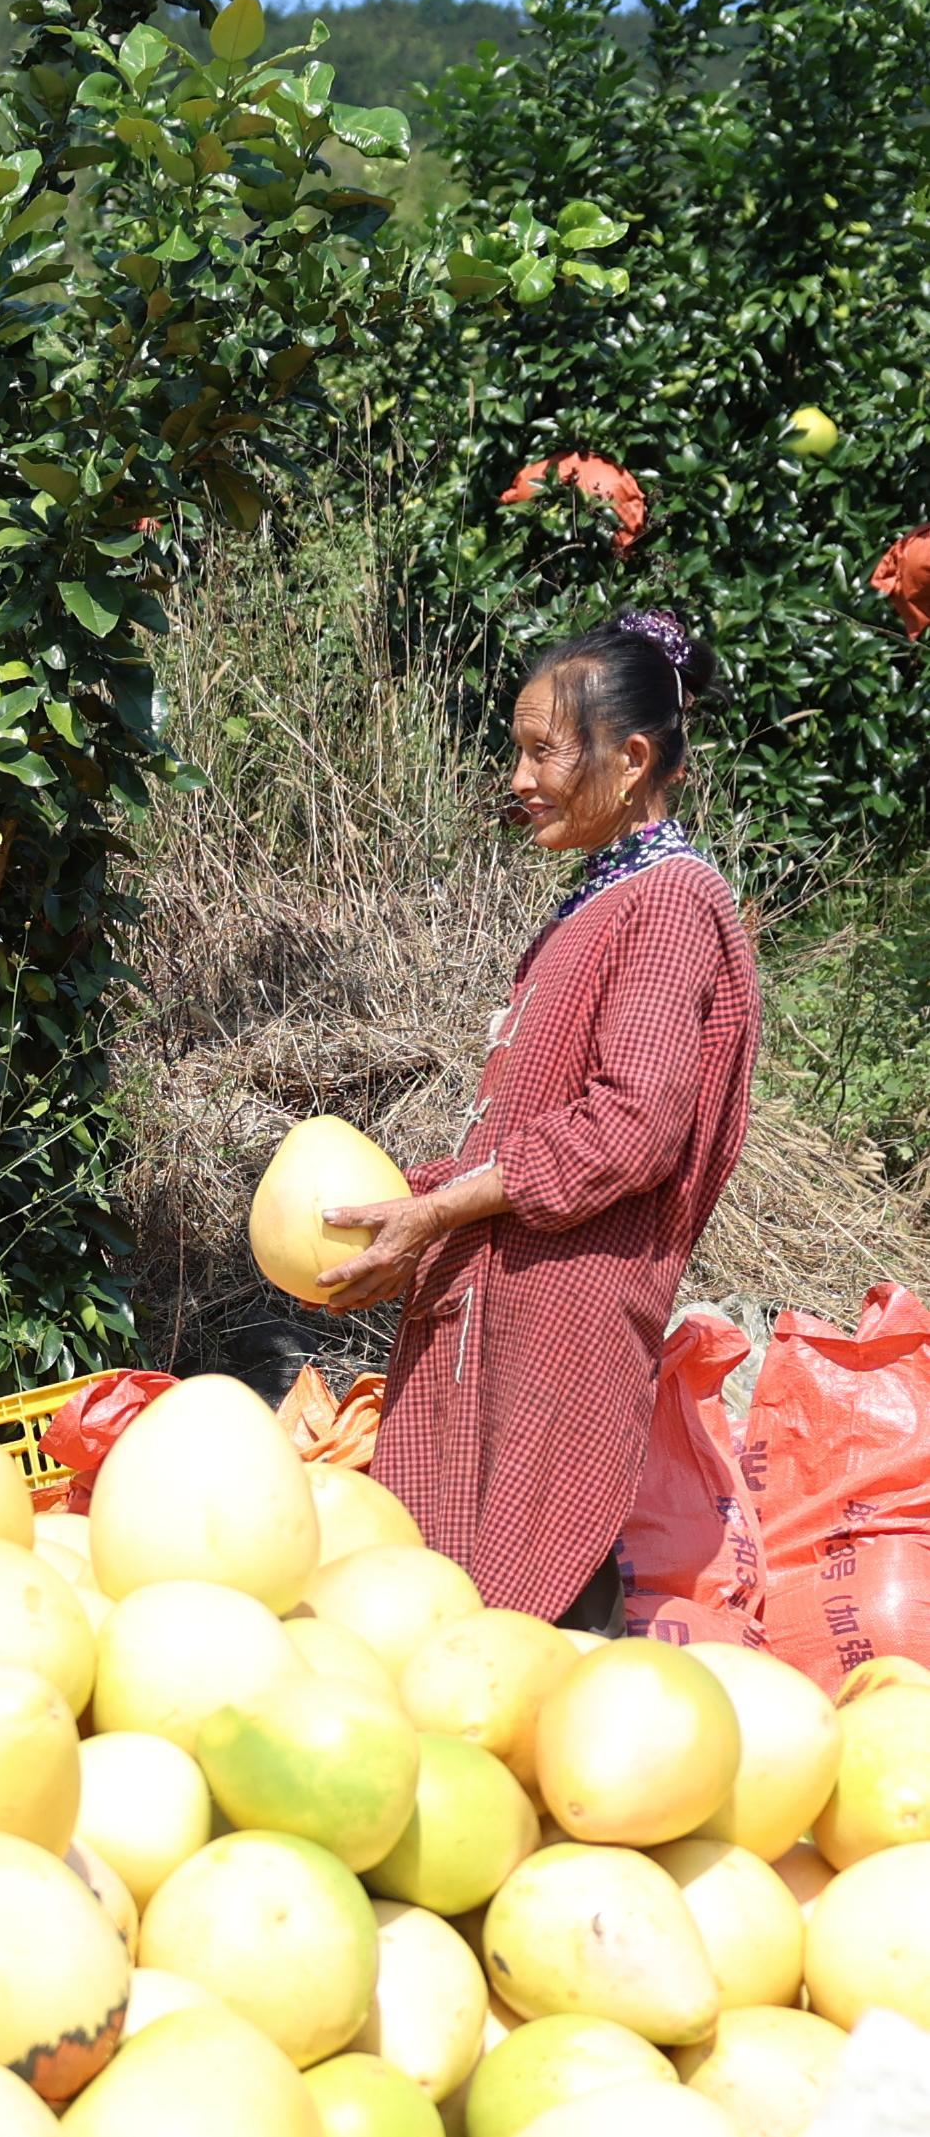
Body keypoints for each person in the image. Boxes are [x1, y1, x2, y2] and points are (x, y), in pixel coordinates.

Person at [315, 612, 761, 1628]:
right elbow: (540, 1125)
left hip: (560, 1322)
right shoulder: (607, 898)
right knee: (458, 1616)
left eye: (542, 751)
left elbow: (631, 1125)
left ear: (631, 759)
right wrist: (411, 1205)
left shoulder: (670, 904)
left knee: (523, 1631)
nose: (518, 778)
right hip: (507, 1310)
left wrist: (438, 1212)